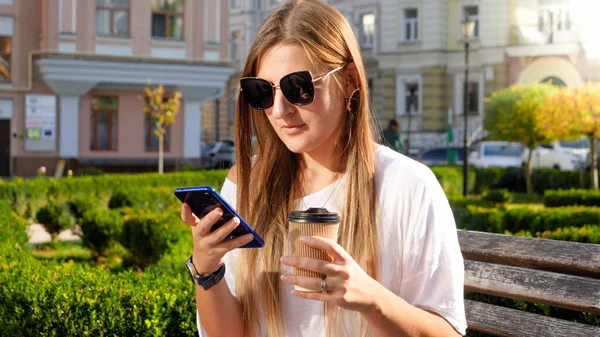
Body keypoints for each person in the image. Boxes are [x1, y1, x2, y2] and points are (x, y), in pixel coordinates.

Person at [180, 1, 467, 336]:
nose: (278, 109)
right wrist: (207, 267)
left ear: (350, 80)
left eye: (297, 87)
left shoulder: (407, 186)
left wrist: (370, 298)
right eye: (262, 91)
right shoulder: (247, 183)